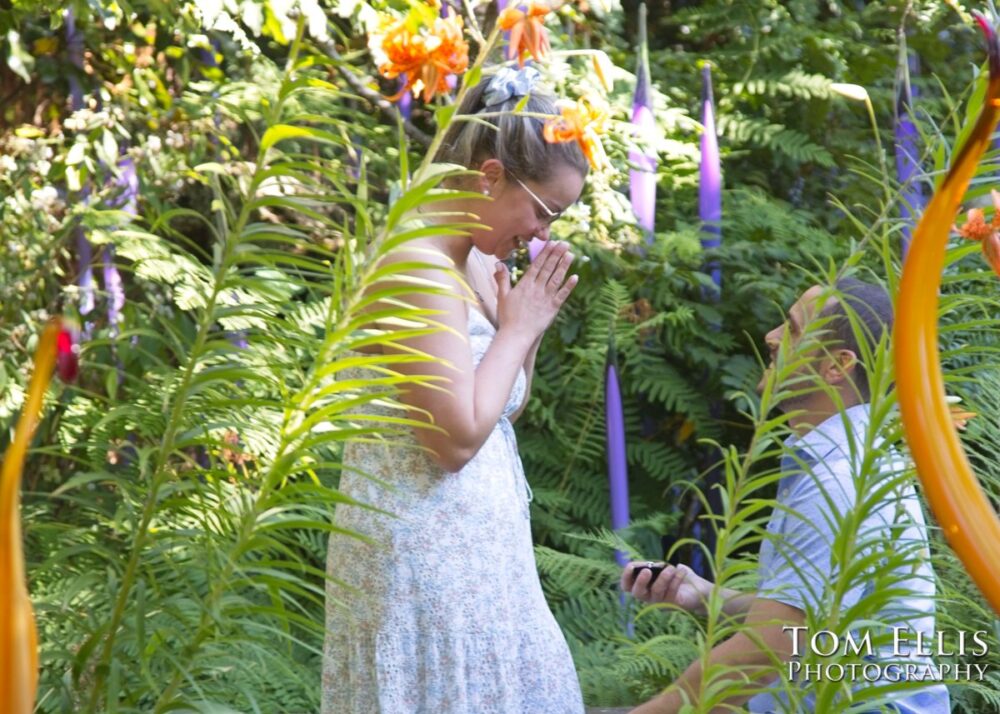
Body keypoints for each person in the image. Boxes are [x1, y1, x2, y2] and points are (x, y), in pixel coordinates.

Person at [322, 67, 588, 714]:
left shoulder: (471, 260)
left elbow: (503, 404)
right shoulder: (414, 266)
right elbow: (456, 438)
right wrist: (519, 327)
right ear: (491, 175)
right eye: (544, 211)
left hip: (478, 564)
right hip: (423, 567)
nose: (544, 233)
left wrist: (516, 329)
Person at [621, 279, 951, 713]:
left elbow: (768, 650)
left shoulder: (839, 481)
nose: (771, 337)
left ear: (837, 365)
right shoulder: (849, 461)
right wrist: (704, 596)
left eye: (792, 328)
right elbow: (817, 621)